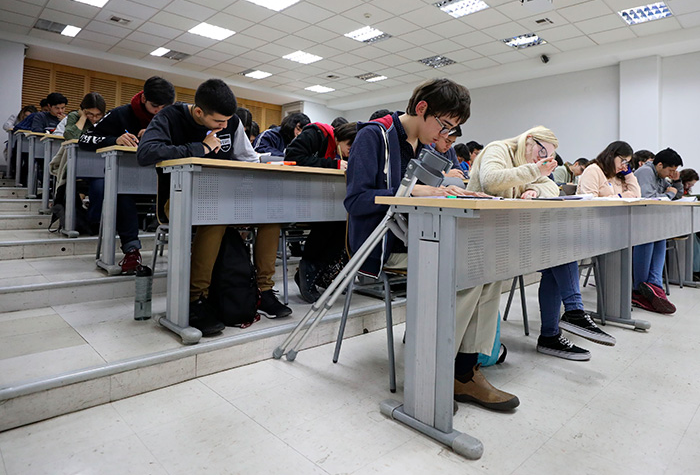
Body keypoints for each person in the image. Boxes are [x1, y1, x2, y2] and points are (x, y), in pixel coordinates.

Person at [346, 78, 519, 411]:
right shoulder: (374, 136)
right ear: (422, 109)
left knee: (492, 265)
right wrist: (412, 191)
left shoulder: (433, 143)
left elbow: (445, 183)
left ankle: (464, 369)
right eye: (445, 125)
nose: (447, 136)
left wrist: (457, 188)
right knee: (464, 269)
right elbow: (355, 201)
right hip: (383, 241)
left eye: (454, 130)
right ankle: (436, 370)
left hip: (425, 235)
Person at [137, 79, 291, 335]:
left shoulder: (231, 122)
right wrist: (201, 148)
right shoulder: (169, 117)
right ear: (199, 112)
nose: (224, 127)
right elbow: (146, 153)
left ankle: (262, 292)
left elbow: (249, 158)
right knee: (214, 216)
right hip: (175, 200)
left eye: (227, 122)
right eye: (218, 122)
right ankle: (195, 299)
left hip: (224, 198)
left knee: (270, 215)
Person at [469, 126, 616, 361]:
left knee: (559, 253)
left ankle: (558, 329)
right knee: (558, 248)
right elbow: (490, 181)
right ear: (529, 140)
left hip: (507, 234)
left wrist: (535, 190)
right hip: (479, 239)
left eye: (546, 157)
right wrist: (533, 171)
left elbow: (550, 186)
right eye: (541, 152)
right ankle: (567, 318)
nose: (541, 159)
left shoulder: (531, 161)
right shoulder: (499, 149)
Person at [79, 76, 176, 274]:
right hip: (127, 179)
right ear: (143, 99)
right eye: (155, 106)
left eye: (164, 107)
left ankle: (186, 249)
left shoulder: (171, 117)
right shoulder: (121, 114)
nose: (159, 111)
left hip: (161, 180)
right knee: (122, 192)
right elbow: (85, 139)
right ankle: (132, 251)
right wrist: (116, 140)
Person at [285, 121, 357, 302]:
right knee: (329, 220)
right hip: (295, 195)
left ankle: (313, 269)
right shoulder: (316, 133)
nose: (350, 152)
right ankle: (308, 267)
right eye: (349, 146)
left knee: (343, 222)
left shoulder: (338, 150)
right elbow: (293, 156)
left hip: (320, 198)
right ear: (341, 138)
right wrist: (333, 164)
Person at [631, 148, 683, 314]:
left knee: (661, 237)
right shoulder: (646, 171)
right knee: (648, 240)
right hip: (638, 223)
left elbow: (677, 194)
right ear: (660, 165)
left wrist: (676, 183)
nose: (671, 174)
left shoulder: (660, 175)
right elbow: (650, 197)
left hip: (652, 222)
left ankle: (654, 286)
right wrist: (669, 194)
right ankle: (639, 289)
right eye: (670, 170)